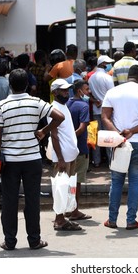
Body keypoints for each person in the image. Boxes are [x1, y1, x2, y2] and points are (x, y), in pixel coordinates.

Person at [0, 68, 65, 250]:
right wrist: (43, 131)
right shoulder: (36, 102)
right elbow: (59, 117)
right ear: (27, 85)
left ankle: (9, 242)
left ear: (10, 85)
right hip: (32, 160)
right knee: (32, 201)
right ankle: (34, 240)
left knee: (9, 202)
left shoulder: (2, 105)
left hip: (10, 161)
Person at [101, 65, 138, 230]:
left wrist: (119, 135)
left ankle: (112, 220)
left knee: (116, 181)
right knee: (134, 181)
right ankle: (131, 220)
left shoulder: (113, 92)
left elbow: (105, 116)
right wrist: (132, 131)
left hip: (119, 143)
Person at [48, 78, 81, 231]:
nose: (67, 93)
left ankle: (60, 218)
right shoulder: (54, 109)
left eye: (67, 90)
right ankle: (59, 220)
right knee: (61, 188)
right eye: (63, 90)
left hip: (69, 155)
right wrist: (60, 159)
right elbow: (54, 135)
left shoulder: (63, 106)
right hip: (63, 158)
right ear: (55, 92)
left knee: (66, 188)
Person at [65, 80, 92, 221]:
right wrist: (71, 139)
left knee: (67, 180)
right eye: (86, 89)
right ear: (79, 91)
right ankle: (74, 211)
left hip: (65, 150)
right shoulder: (83, 106)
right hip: (79, 149)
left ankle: (66, 209)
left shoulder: (66, 104)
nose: (88, 92)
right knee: (77, 182)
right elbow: (82, 129)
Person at [88, 55, 115, 168]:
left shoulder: (91, 78)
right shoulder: (107, 78)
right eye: (108, 63)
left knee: (96, 136)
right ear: (103, 64)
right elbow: (112, 94)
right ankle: (111, 162)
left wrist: (95, 101)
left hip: (96, 110)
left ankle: (97, 161)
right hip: (107, 111)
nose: (109, 65)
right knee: (109, 136)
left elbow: (89, 93)